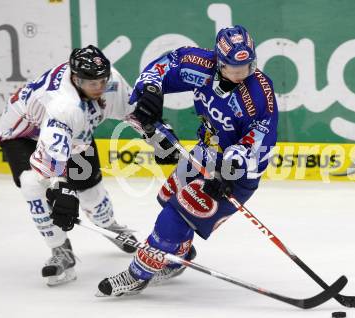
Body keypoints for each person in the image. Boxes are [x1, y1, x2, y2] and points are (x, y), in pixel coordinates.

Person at [97, 25, 279, 296]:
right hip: (204, 153)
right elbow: (164, 67)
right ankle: (178, 254)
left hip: (236, 173)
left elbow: (259, 139)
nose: (242, 74)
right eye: (233, 68)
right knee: (166, 197)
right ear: (219, 62)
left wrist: (228, 171)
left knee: (175, 217)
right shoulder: (200, 65)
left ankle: (137, 274)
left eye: (248, 66)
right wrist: (149, 90)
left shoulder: (258, 94)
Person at [0, 45, 176, 286]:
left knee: (90, 188)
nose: (100, 87)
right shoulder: (62, 104)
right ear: (77, 79)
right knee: (32, 184)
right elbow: (51, 158)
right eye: (93, 83)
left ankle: (109, 226)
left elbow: (135, 113)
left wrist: (157, 135)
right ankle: (60, 250)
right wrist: (60, 187)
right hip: (23, 135)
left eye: (103, 80)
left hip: (76, 133)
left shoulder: (109, 80)